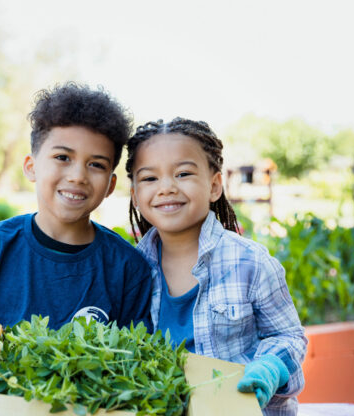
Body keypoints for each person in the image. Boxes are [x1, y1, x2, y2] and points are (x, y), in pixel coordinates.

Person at [0, 83, 154, 416]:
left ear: (110, 185)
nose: (78, 175)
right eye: (62, 157)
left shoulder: (128, 268)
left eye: (96, 164)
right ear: (31, 166)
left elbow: (134, 370)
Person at [125, 117, 307, 416]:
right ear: (135, 195)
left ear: (214, 186)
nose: (167, 187)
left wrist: (270, 367)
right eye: (149, 178)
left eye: (183, 173)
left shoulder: (251, 262)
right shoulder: (133, 269)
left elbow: (288, 336)